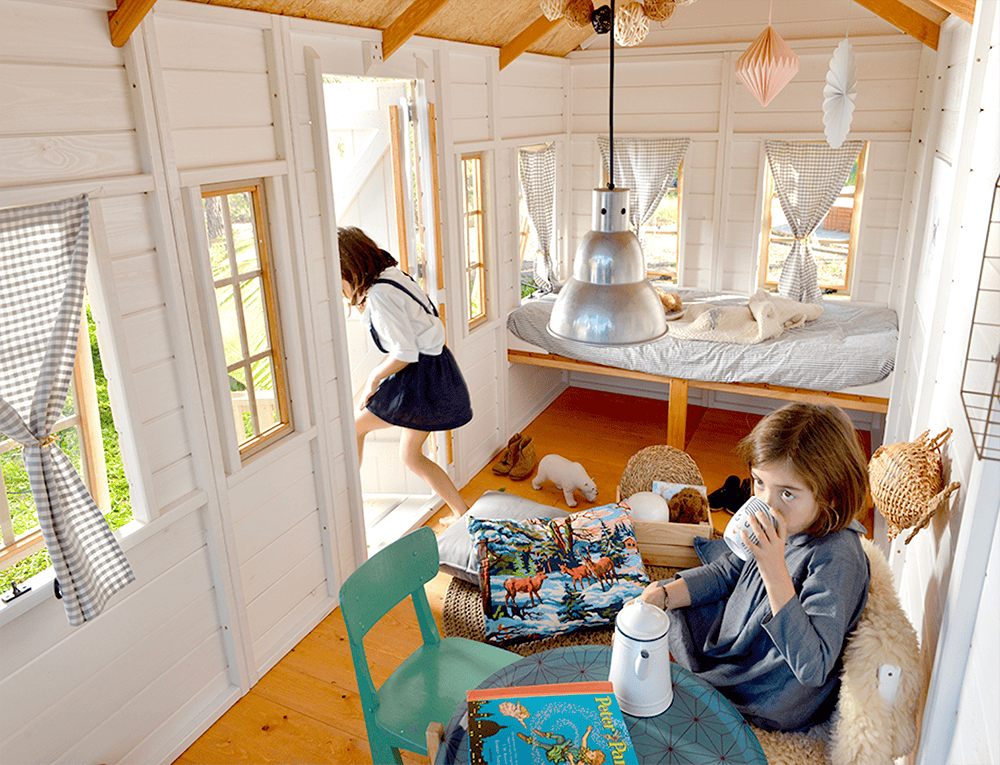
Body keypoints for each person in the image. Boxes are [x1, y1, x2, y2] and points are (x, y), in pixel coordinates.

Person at [640, 402, 872, 732]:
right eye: (759, 482)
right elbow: (728, 570)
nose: (766, 502)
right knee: (678, 605)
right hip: (750, 628)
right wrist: (663, 594)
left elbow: (814, 666)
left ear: (832, 497)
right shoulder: (788, 522)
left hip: (772, 681)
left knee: (684, 675)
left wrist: (773, 567)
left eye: (788, 493)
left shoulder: (838, 558)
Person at [338, 227, 472, 525]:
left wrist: (374, 378)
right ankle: (462, 513)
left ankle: (346, 505)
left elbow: (405, 352)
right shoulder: (393, 276)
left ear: (349, 269)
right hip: (433, 370)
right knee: (410, 456)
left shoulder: (380, 296)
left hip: (420, 377)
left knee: (355, 429)